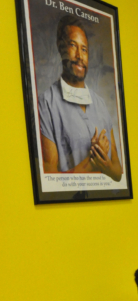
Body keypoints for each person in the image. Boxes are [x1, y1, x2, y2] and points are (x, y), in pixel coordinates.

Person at [38, 14, 122, 181]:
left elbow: (118, 172)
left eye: (84, 49)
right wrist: (92, 161)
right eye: (73, 46)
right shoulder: (47, 103)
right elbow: (50, 180)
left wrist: (104, 165)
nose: (79, 56)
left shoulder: (100, 104)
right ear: (60, 47)